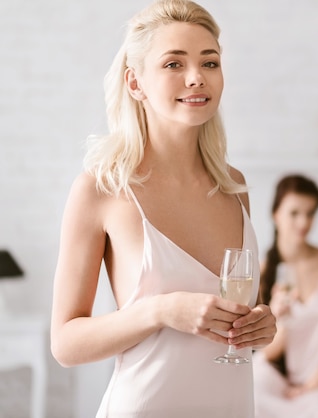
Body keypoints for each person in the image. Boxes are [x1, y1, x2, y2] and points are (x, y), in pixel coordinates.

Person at [49, 1, 276, 417]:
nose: (196, 78)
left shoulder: (233, 188)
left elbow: (239, 318)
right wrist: (160, 310)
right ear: (135, 82)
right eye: (174, 64)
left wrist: (262, 325)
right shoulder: (102, 190)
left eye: (210, 63)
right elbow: (65, 344)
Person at [253, 174, 318, 418]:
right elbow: (269, 352)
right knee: (253, 399)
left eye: (310, 213)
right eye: (294, 213)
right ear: (276, 214)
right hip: (275, 376)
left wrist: (314, 384)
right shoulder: (263, 271)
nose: (304, 222)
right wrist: (278, 317)